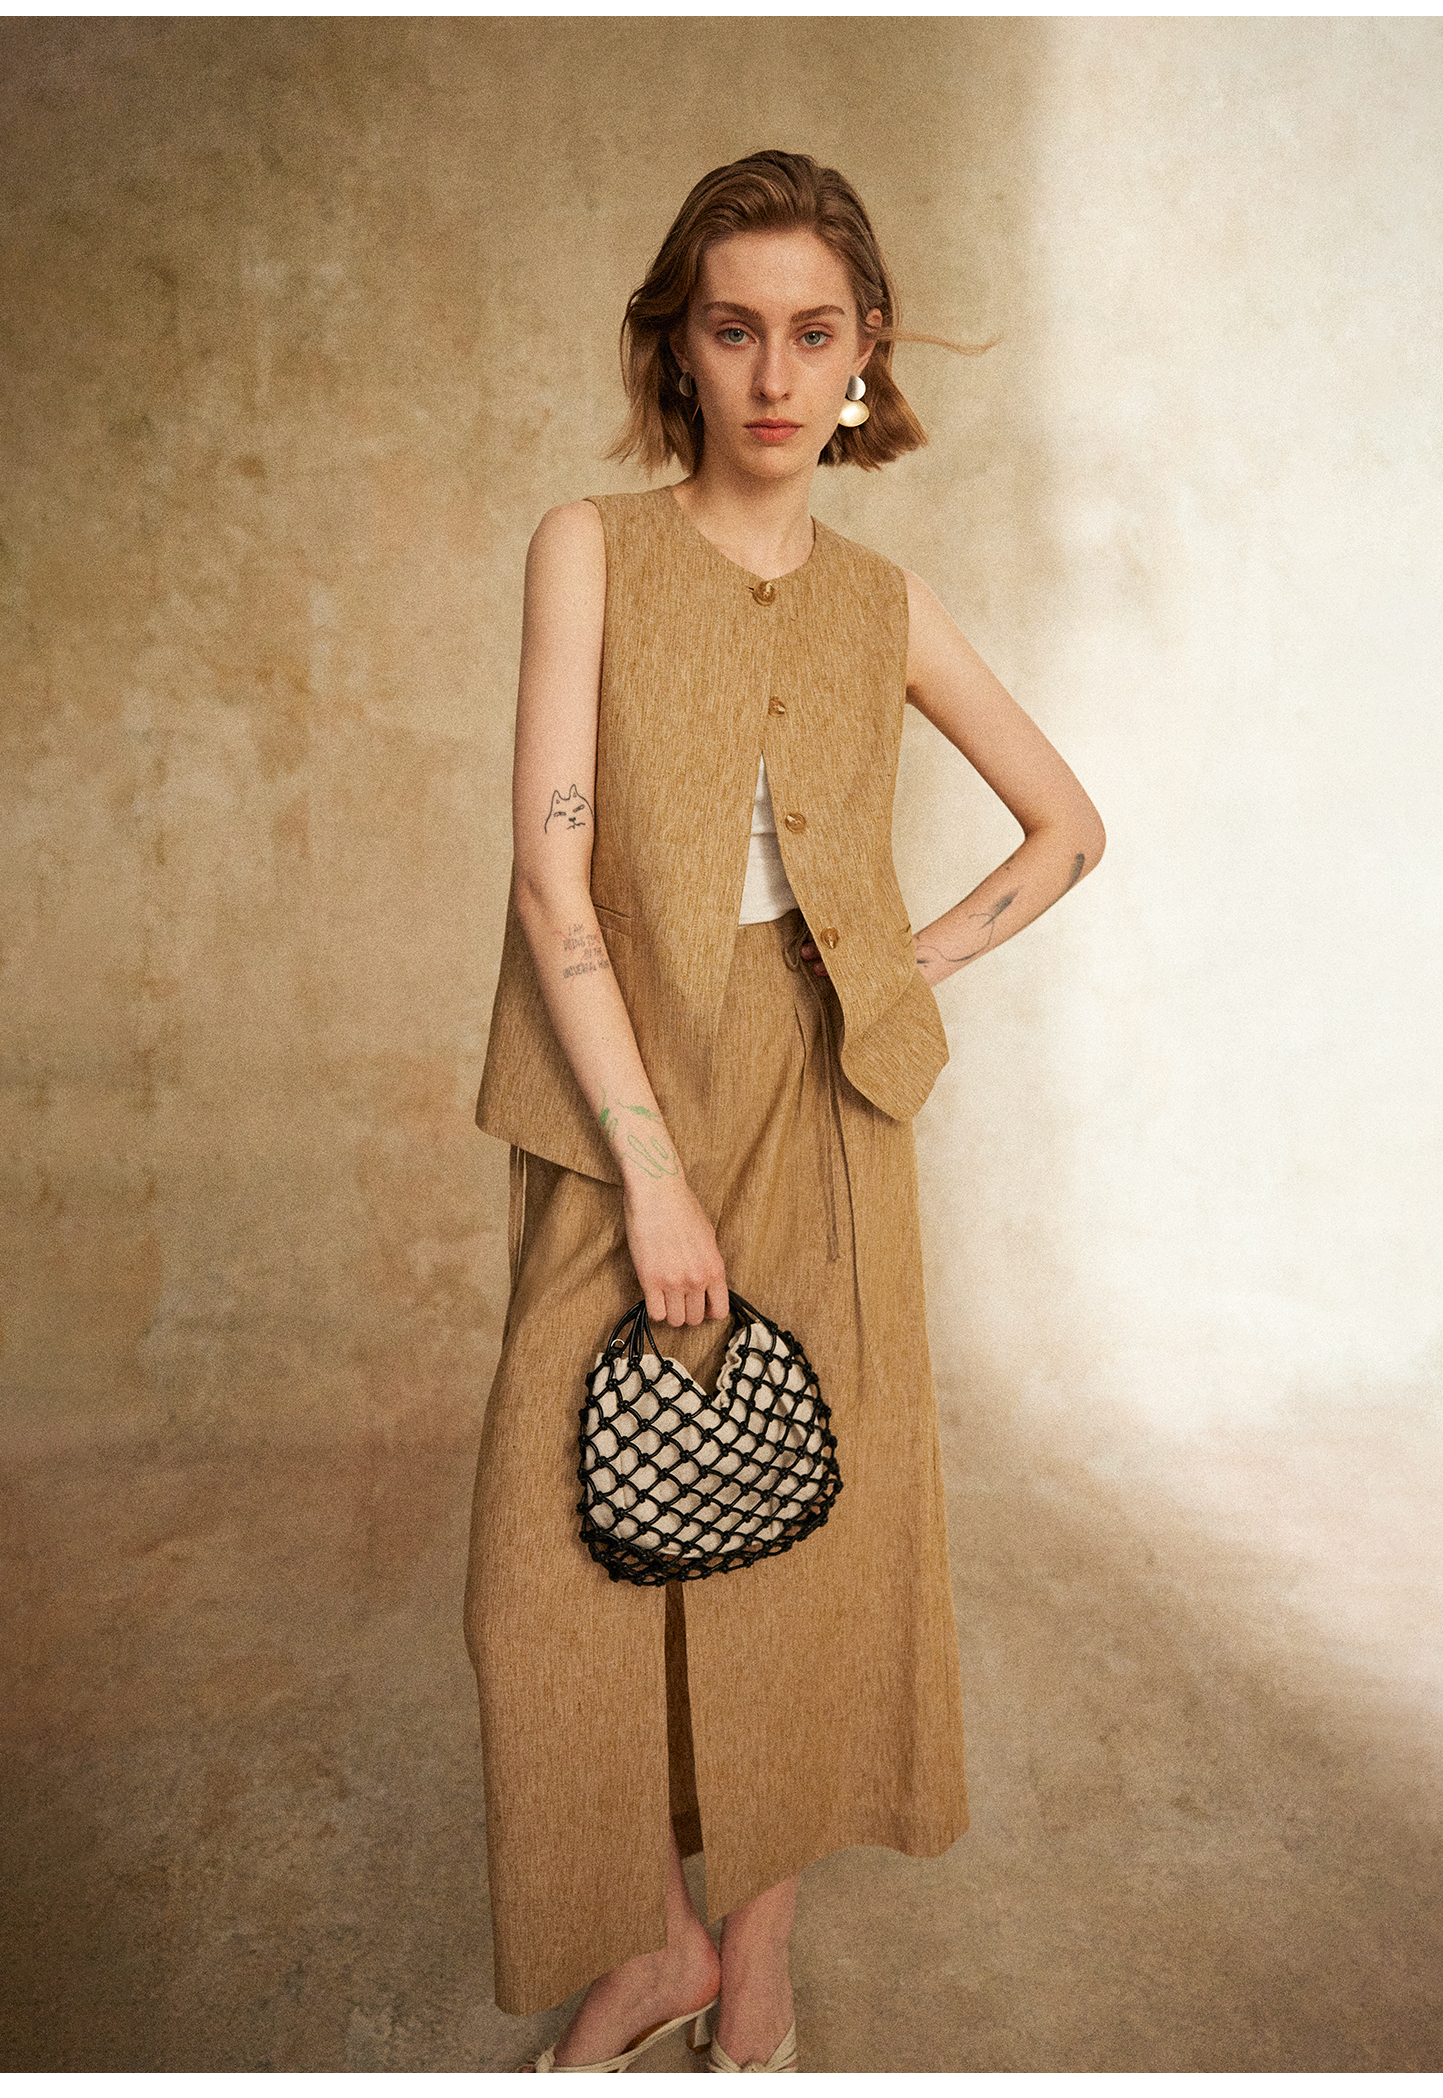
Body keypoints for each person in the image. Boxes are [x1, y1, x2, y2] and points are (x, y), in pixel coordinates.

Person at [465, 149, 1105, 2074]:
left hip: (830, 1109)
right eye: (733, 328)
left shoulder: (884, 601)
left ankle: (755, 1959)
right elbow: (550, 879)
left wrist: (888, 970)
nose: (773, 373)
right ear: (680, 343)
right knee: (550, 1562)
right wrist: (652, 1175)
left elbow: (1067, 828)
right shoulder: (589, 546)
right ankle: (654, 1939)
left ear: (864, 351)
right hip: (622, 1088)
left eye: (813, 333)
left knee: (803, 1542)